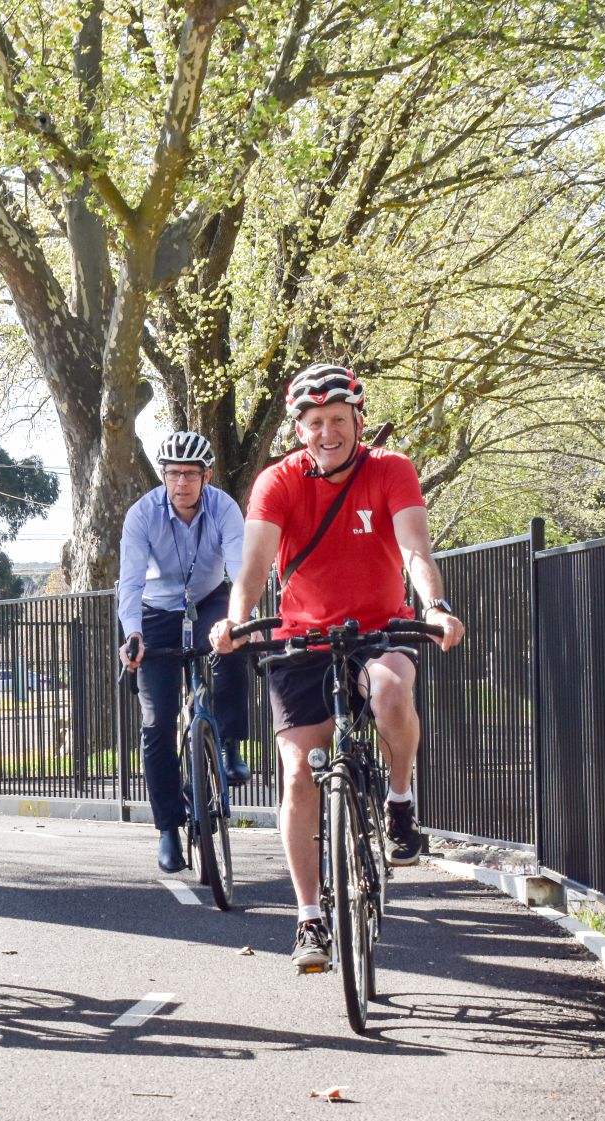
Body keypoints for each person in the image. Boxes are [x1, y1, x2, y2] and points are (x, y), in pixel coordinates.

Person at [209, 364, 466, 972]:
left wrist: (435, 606)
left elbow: (414, 549)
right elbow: (253, 567)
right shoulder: (277, 483)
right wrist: (234, 618)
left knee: (389, 695)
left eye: (339, 421)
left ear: (358, 423)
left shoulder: (390, 470)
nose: (329, 432)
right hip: (303, 640)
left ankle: (399, 801)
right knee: (298, 773)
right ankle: (308, 917)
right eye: (316, 422)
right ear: (301, 430)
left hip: (379, 629)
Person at [116, 430, 251, 873]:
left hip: (210, 598)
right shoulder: (141, 515)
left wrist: (236, 619)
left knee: (233, 645)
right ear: (163, 476)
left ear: (206, 476)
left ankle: (229, 745)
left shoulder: (224, 508)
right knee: (155, 723)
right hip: (157, 612)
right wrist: (133, 635)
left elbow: (238, 565)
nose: (181, 484)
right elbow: (131, 584)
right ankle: (168, 829)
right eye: (173, 474)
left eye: (190, 475)